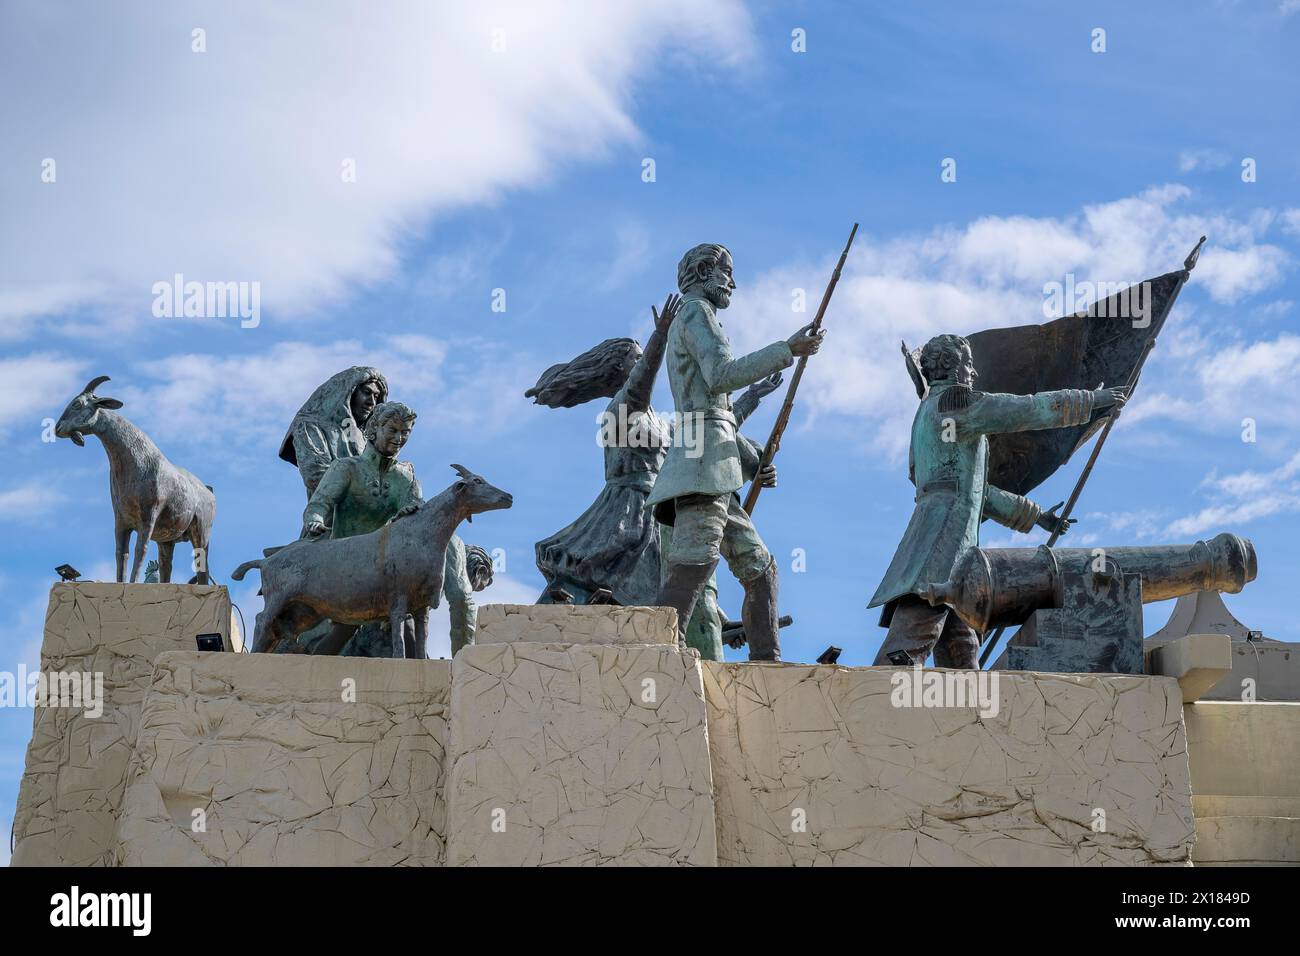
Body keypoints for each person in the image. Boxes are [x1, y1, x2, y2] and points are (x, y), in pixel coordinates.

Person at [869, 333, 1128, 667]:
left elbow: (975, 491)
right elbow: (1025, 410)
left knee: (962, 645)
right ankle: (880, 695)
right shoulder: (955, 404)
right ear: (950, 365)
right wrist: (1088, 401)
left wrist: (1034, 515)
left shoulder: (927, 410)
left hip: (949, 537)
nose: (974, 373)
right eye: (969, 364)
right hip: (942, 539)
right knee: (919, 622)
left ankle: (969, 713)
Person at [646, 243, 824, 662]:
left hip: (716, 472)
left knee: (761, 568)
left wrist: (753, 460)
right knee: (694, 565)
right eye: (727, 273)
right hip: (701, 470)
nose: (733, 283)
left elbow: (718, 416)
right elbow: (722, 377)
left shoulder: (693, 315)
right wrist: (788, 349)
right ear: (705, 271)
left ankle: (768, 663)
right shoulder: (695, 313)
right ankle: (655, 656)